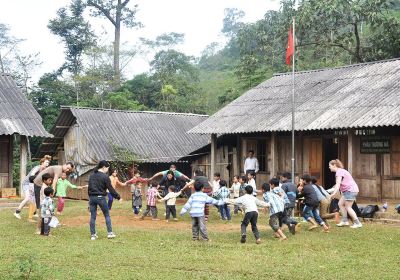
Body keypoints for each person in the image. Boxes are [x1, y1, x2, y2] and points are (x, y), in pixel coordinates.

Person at [88, 160, 122, 240]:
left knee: (93, 216)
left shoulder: (92, 175)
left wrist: (90, 198)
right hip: (101, 198)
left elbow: (89, 188)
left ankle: (93, 235)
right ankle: (110, 233)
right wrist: (118, 197)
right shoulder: (105, 177)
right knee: (106, 214)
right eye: (107, 168)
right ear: (103, 167)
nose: (107, 170)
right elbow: (111, 189)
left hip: (92, 198)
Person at [328, 159, 362, 228]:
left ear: (334, 165)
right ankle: (345, 221)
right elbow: (338, 185)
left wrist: (333, 194)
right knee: (340, 204)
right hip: (349, 191)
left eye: (330, 166)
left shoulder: (339, 172)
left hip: (350, 190)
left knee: (348, 207)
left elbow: (337, 185)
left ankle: (357, 223)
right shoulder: (341, 171)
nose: (329, 167)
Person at [15, 155, 51, 220]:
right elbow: (32, 176)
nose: (47, 164)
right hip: (27, 183)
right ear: (42, 163)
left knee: (35, 198)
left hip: (34, 184)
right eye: (46, 162)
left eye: (48, 163)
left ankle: (34, 213)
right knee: (28, 198)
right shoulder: (37, 168)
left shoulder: (44, 170)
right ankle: (17, 212)